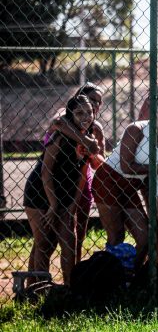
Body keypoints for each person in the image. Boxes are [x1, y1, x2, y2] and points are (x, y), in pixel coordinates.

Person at [92, 84, 158, 266]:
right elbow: (126, 167)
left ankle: (133, 273)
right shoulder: (137, 129)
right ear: (154, 110)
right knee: (117, 235)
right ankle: (113, 278)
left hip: (130, 187)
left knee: (146, 237)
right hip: (109, 180)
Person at [24, 95, 96, 286]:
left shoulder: (88, 138)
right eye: (79, 112)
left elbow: (81, 175)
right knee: (44, 243)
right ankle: (37, 289)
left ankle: (69, 287)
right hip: (40, 193)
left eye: (89, 112)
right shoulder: (60, 136)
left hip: (65, 194)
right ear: (70, 115)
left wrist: (71, 205)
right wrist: (53, 205)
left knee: (69, 242)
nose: (86, 116)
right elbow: (45, 172)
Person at [47, 82, 106, 260]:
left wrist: (92, 153)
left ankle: (76, 270)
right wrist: (85, 140)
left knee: (79, 232)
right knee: (48, 238)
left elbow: (99, 164)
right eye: (92, 100)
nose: (96, 105)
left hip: (81, 179)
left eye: (99, 102)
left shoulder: (96, 128)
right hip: (55, 179)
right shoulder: (64, 117)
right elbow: (56, 123)